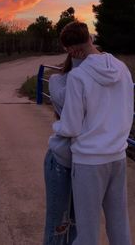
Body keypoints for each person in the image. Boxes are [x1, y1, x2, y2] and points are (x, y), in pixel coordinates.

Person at [53, 21, 134, 245]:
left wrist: (56, 128)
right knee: (119, 223)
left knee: (87, 231)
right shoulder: (122, 68)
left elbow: (70, 127)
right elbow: (128, 110)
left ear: (71, 50)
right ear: (90, 38)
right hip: (118, 155)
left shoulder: (78, 77)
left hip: (89, 162)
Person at [43, 54, 83, 245]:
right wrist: (82, 75)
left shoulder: (92, 82)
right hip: (61, 160)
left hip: (86, 164)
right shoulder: (58, 81)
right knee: (58, 224)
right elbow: (65, 99)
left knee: (78, 224)